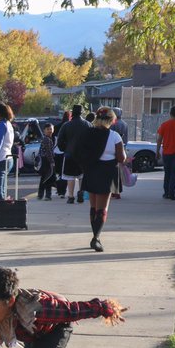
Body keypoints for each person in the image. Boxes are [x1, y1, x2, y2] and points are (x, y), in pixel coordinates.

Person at [74, 107, 126, 252]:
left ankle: (94, 234)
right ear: (111, 120)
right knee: (102, 208)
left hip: (91, 170)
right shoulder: (115, 136)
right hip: (107, 171)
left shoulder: (87, 133)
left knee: (93, 206)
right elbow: (121, 158)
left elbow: (78, 152)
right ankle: (96, 238)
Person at [57, 104, 90, 204]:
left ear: (72, 113)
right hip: (83, 154)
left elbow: (59, 141)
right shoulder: (88, 124)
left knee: (70, 176)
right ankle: (81, 193)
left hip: (69, 154)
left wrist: (64, 149)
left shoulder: (66, 125)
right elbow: (92, 140)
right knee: (82, 175)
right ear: (82, 113)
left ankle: (70, 196)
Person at [36, 123, 57, 201]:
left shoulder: (45, 138)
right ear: (44, 131)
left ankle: (40, 195)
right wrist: (52, 162)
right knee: (48, 178)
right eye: (47, 129)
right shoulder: (47, 139)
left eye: (51, 129)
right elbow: (49, 152)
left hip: (43, 160)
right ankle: (48, 195)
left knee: (43, 178)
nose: (49, 131)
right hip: (46, 161)